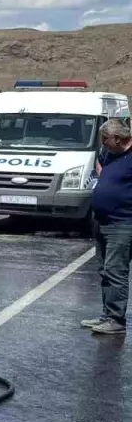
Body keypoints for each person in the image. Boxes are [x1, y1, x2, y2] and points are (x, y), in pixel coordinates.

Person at [82, 119, 132, 335]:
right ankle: (106, 314)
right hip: (102, 221)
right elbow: (101, 167)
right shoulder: (109, 153)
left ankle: (116, 319)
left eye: (106, 139)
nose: (102, 143)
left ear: (118, 139)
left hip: (123, 223)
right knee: (104, 270)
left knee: (115, 271)